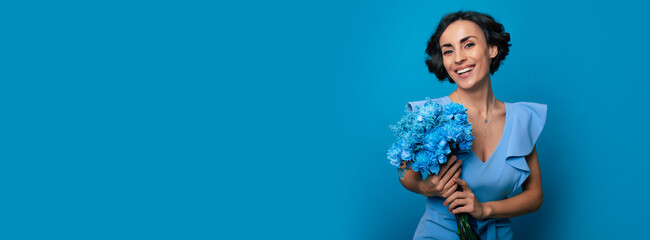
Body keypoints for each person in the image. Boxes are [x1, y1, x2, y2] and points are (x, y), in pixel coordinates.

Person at [398, 11, 547, 240]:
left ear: (492, 49)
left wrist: (484, 210)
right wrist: (426, 187)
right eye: (448, 50)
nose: (458, 58)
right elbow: (405, 173)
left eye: (468, 45)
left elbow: (535, 196)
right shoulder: (430, 115)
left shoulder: (521, 119)